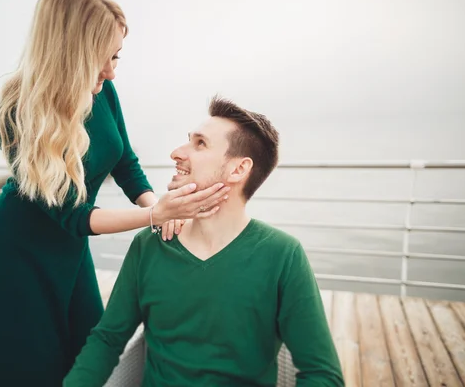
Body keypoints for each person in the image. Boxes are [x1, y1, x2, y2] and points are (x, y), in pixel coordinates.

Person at [0, 0, 229, 386]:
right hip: (14, 254)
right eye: (104, 57)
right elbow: (73, 215)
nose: (111, 70)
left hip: (69, 253)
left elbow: (125, 161)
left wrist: (160, 208)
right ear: (72, 52)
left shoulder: (102, 90)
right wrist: (155, 215)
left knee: (91, 358)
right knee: (30, 371)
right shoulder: (19, 109)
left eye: (116, 55)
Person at [64, 96, 344, 386]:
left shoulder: (283, 256)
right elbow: (108, 340)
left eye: (200, 144)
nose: (176, 153)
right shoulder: (149, 245)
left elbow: (322, 375)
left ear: (238, 169)